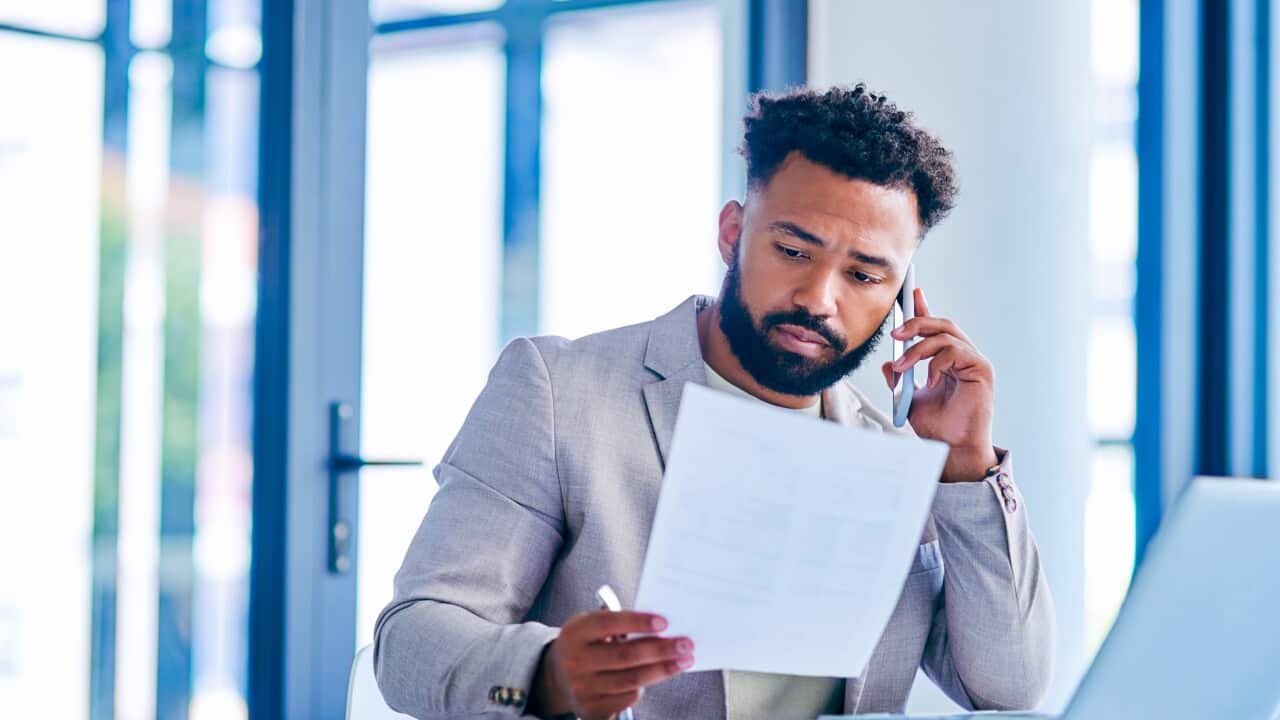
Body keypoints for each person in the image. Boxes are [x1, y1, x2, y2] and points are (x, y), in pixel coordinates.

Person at [373, 84, 1054, 720]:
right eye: (792, 249)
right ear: (732, 234)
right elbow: (411, 639)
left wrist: (967, 467)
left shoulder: (898, 460)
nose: (820, 299)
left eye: (864, 274)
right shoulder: (560, 391)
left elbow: (1004, 683)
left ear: (902, 296)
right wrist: (546, 672)